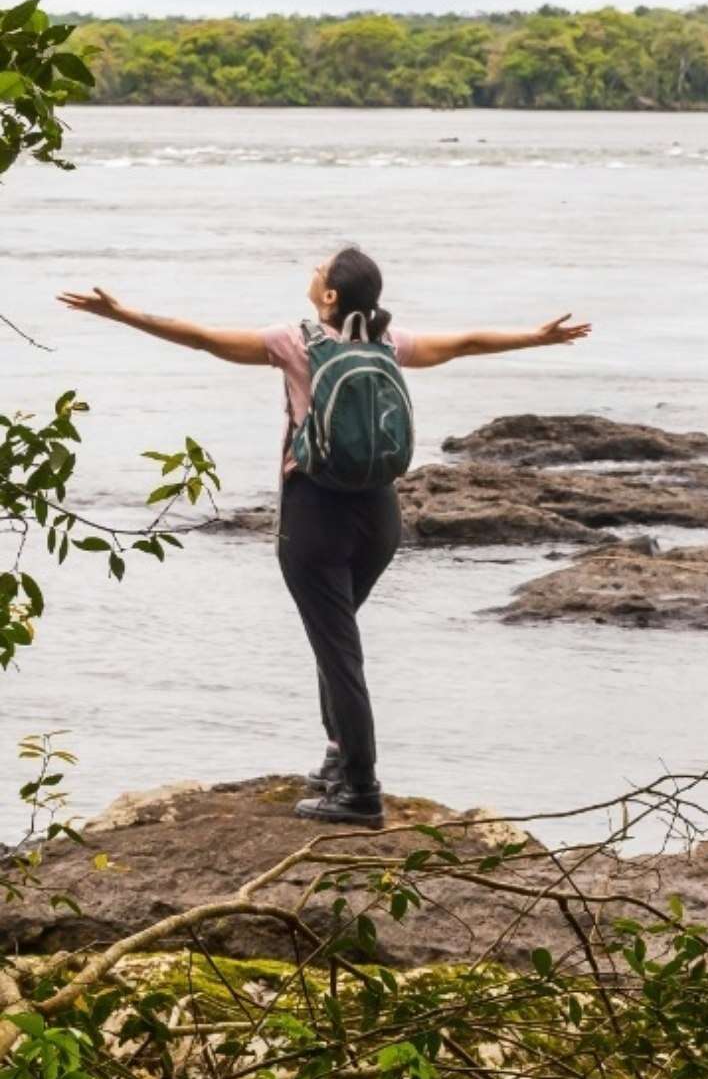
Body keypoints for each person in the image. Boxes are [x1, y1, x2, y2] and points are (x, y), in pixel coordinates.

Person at [58, 248, 591, 828]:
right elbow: (465, 343)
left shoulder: (296, 342)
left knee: (338, 653)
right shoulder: (388, 344)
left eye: (320, 269)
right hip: (382, 516)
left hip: (315, 514)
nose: (313, 270)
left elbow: (204, 339)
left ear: (330, 296)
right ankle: (339, 759)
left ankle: (360, 791)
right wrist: (536, 338)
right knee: (335, 641)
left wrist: (123, 314)